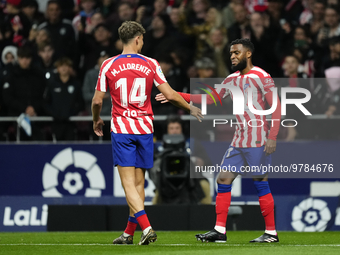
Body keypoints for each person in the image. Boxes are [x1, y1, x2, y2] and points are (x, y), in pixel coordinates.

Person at [156, 38, 282, 243]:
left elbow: (275, 106)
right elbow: (210, 99)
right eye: (231, 53)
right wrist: (176, 95)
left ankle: (271, 233)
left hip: (258, 138)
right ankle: (220, 231)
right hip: (239, 139)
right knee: (223, 179)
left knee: (260, 182)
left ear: (248, 54)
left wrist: (273, 136)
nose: (232, 56)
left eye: (237, 53)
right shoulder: (231, 79)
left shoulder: (261, 76)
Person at [91, 21, 202, 245]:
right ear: (138, 39)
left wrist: (96, 119)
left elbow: (96, 100)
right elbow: (170, 95)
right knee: (139, 183)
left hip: (122, 129)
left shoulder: (108, 65)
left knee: (128, 184)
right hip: (145, 130)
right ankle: (128, 233)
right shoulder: (151, 63)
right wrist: (190, 108)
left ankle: (146, 227)